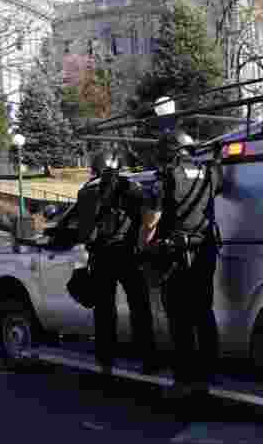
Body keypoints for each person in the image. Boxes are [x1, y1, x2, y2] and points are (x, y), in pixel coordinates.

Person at [146, 128, 225, 401]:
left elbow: (152, 219)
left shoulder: (167, 176)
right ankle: (209, 372)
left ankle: (184, 381)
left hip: (177, 255)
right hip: (205, 251)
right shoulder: (208, 172)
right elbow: (221, 181)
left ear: (169, 151)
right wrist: (217, 159)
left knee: (179, 319)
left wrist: (146, 243)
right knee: (203, 311)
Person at [75, 149, 159, 377]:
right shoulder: (130, 187)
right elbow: (151, 216)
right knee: (140, 309)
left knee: (104, 312)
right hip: (128, 254)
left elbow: (82, 232)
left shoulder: (86, 192)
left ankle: (105, 363)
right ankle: (148, 359)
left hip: (100, 256)